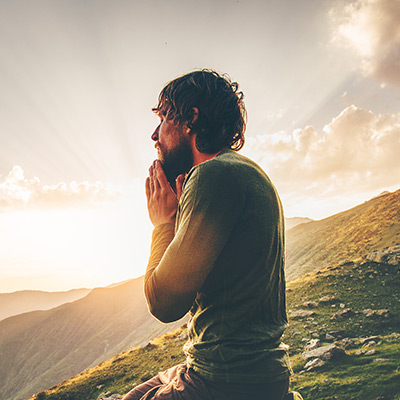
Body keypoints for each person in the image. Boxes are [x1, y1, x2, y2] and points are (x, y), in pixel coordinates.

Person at [123, 69, 302, 400]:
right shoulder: (244, 170)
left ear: (190, 119)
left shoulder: (212, 176)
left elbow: (163, 303)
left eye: (163, 118)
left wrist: (163, 224)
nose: (154, 135)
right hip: (249, 369)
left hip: (227, 379)